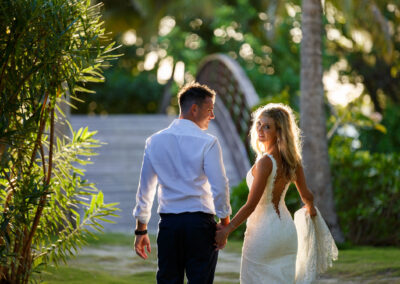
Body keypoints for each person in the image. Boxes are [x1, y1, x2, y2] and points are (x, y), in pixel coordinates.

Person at [133, 82, 232, 284]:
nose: (212, 116)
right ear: (194, 109)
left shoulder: (154, 141)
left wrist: (141, 230)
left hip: (169, 225)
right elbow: (220, 187)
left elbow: (145, 190)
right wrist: (224, 226)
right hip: (200, 226)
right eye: (209, 110)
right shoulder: (208, 142)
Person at [215, 103, 317, 283]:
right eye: (259, 124)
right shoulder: (293, 161)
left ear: (279, 131)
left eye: (267, 126)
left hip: (263, 234)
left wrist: (228, 229)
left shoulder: (265, 162)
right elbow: (307, 195)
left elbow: (251, 205)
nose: (260, 129)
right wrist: (311, 210)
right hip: (286, 231)